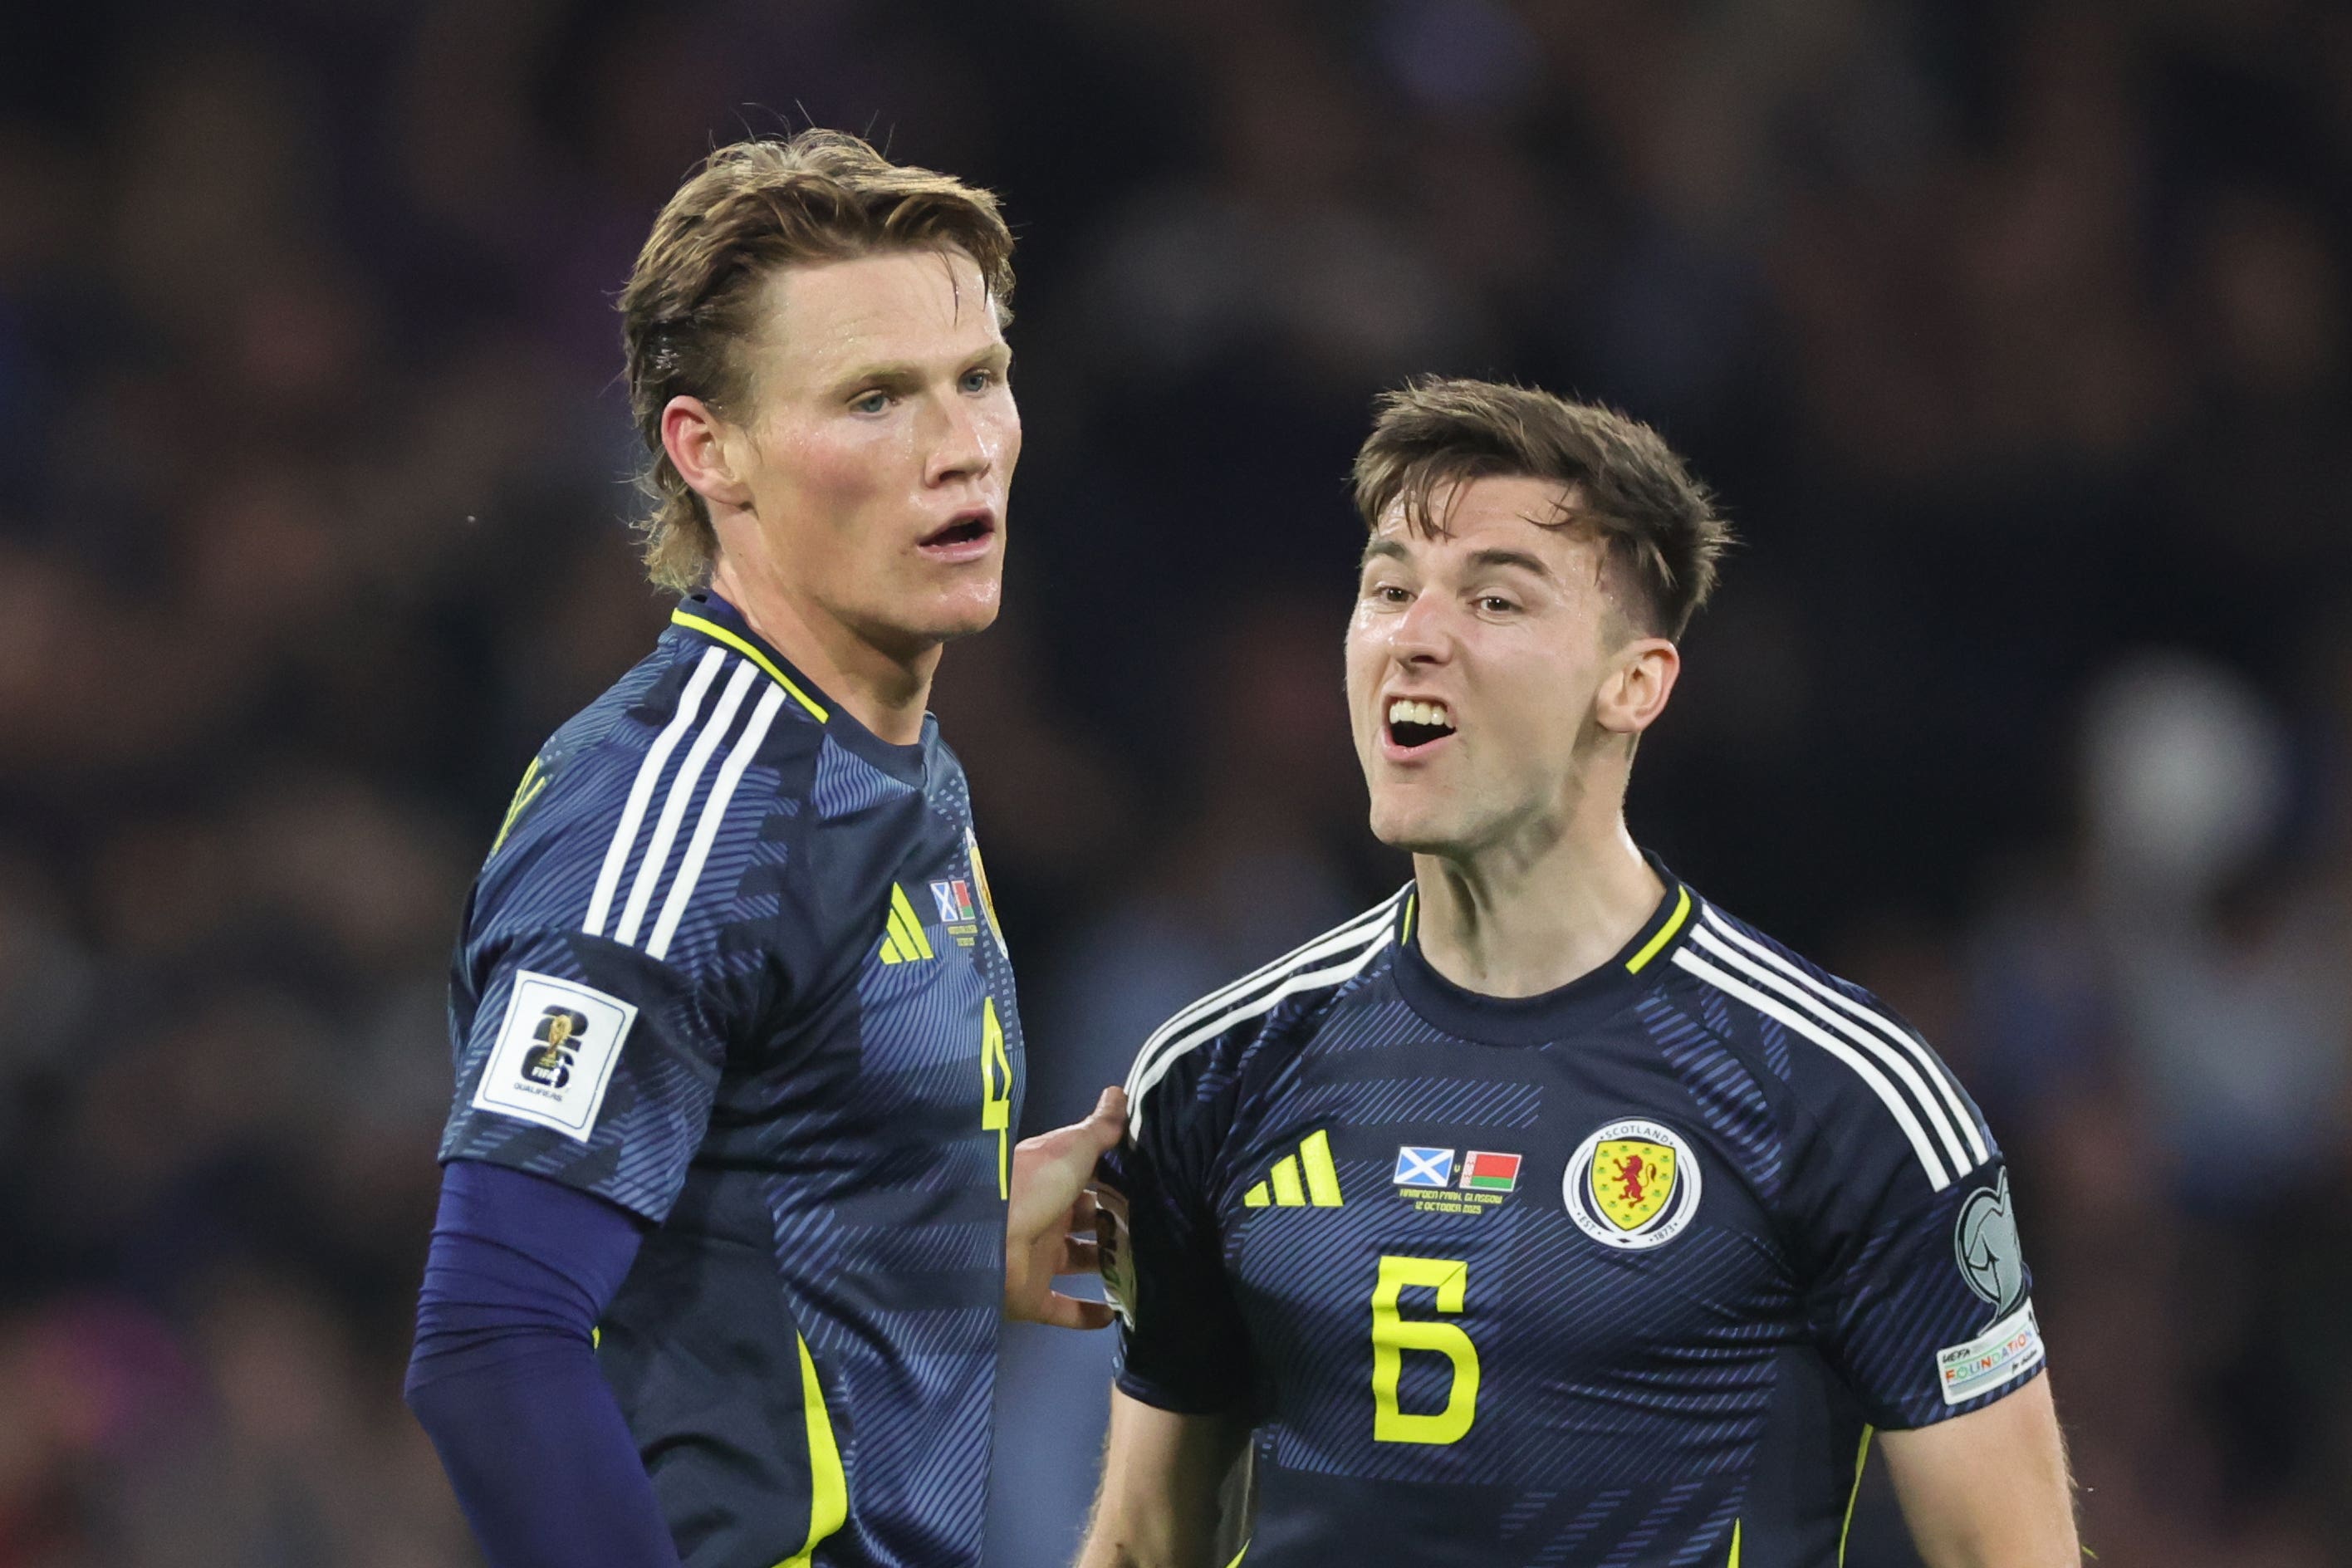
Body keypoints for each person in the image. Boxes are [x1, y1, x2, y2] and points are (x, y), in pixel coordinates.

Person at [1081, 379, 2079, 1567]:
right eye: (1389, 588)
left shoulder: (1840, 1097)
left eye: (1495, 596)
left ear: (1635, 684)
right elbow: (1146, 1545)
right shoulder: (1216, 1072)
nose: (1417, 632)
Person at [402, 130, 1123, 1568]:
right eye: (874, 399)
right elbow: (492, 1340)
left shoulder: (889, 756)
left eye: (978, 377)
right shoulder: (681, 811)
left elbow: (729, 1227)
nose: (962, 444)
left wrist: (947, 1233)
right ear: (705, 448)